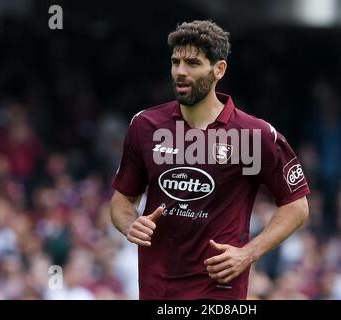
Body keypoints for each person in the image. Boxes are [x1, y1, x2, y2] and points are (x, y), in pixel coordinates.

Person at [110, 20, 310, 300]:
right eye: (175, 62)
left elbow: (297, 206)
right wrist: (131, 223)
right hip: (157, 289)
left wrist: (248, 253)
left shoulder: (254, 135)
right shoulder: (145, 125)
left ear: (219, 69)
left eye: (192, 63)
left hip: (220, 293)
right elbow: (121, 201)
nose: (180, 71)